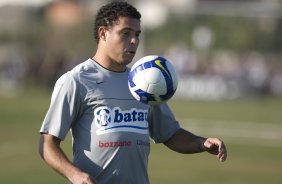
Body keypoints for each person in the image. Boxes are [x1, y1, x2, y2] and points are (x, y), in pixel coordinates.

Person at [38, 1, 227, 184]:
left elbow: (169, 133)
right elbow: (47, 144)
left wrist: (201, 143)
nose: (134, 40)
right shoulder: (76, 80)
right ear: (103, 33)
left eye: (137, 34)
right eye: (125, 33)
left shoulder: (144, 82)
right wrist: (75, 175)